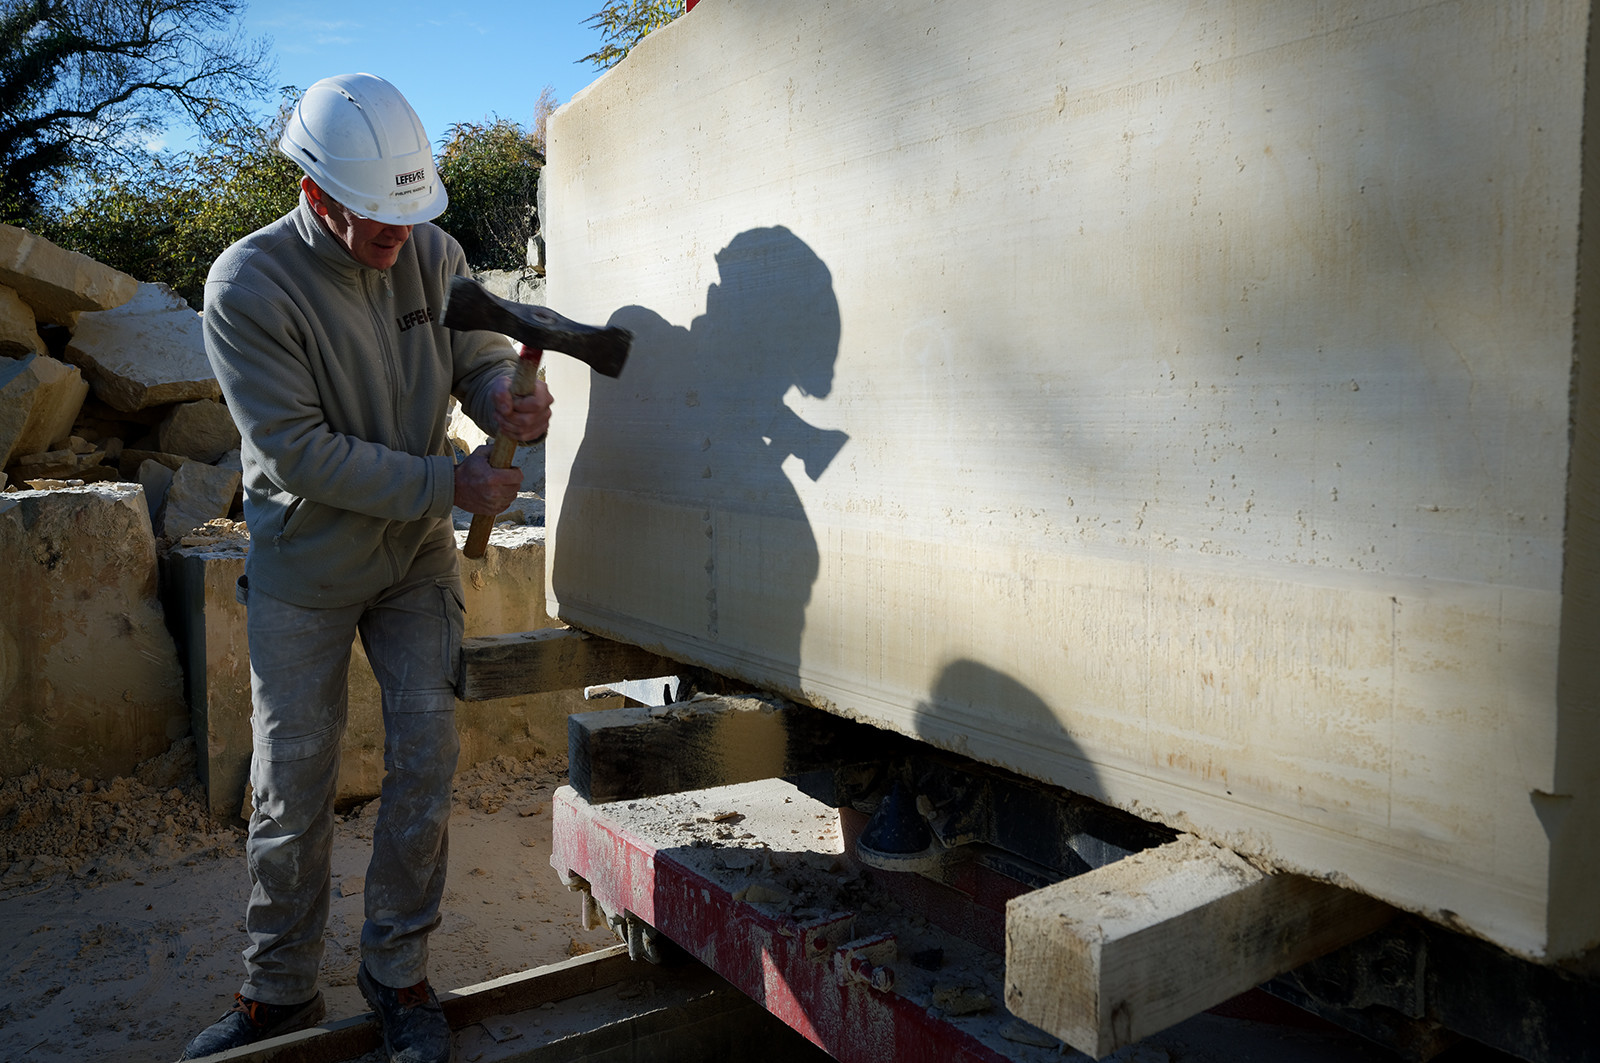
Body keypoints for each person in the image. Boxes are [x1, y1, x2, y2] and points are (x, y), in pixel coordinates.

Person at [178, 72, 550, 1063]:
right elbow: (299, 450)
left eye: (408, 216)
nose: (399, 240)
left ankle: (397, 972)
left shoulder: (433, 251)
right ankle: (278, 993)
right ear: (314, 192)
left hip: (415, 559)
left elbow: (473, 354)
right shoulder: (245, 286)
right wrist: (449, 482)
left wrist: (501, 402)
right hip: (305, 563)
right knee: (290, 787)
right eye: (375, 222)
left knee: (426, 760)